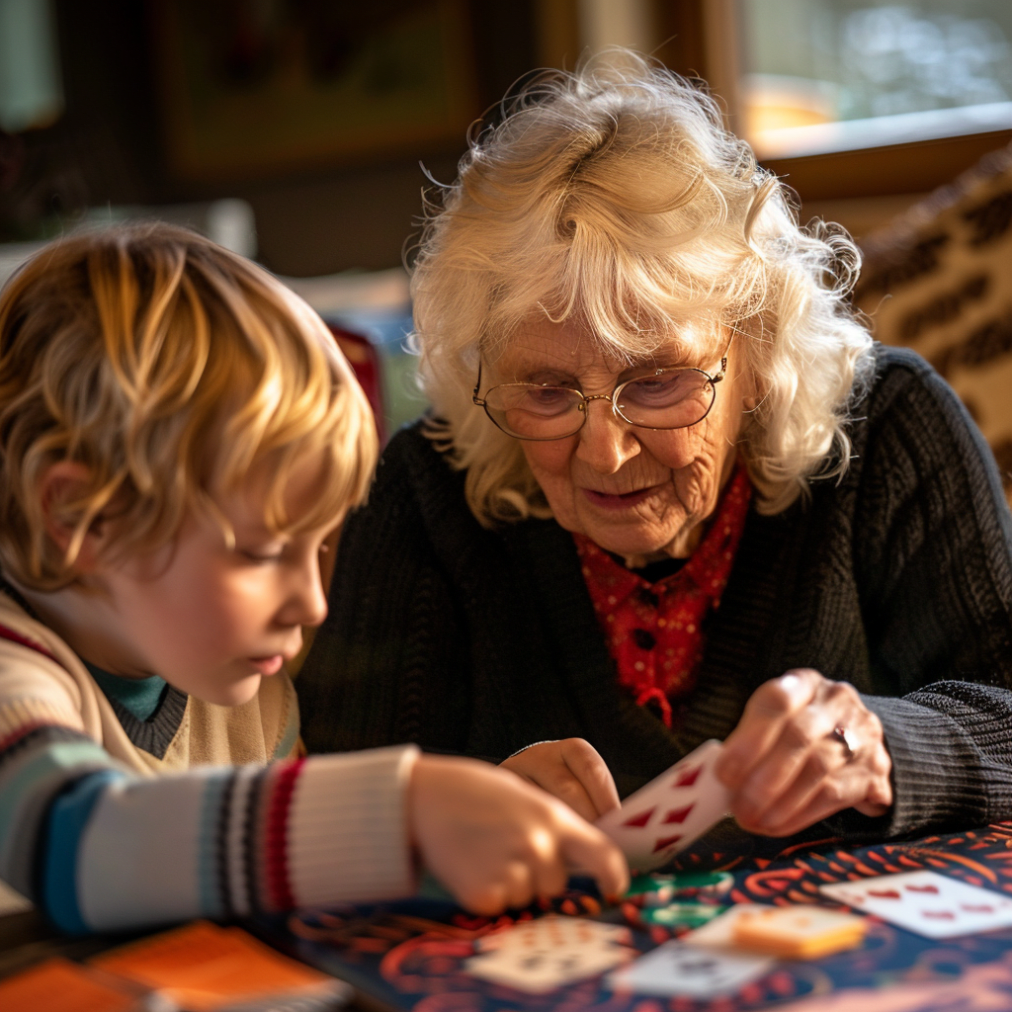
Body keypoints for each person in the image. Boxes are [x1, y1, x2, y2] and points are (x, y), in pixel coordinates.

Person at [298, 52, 1012, 849]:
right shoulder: (427, 492)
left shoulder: (891, 429)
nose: (603, 453)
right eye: (544, 390)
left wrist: (879, 747)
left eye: (658, 382)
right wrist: (447, 814)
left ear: (757, 353)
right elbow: (329, 807)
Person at [0, 224, 627, 934]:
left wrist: (469, 833)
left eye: (323, 546)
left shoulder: (242, 689)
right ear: (81, 516)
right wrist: (395, 814)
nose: (312, 602)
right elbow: (85, 846)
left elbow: (274, 880)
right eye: (262, 554)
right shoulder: (11, 671)